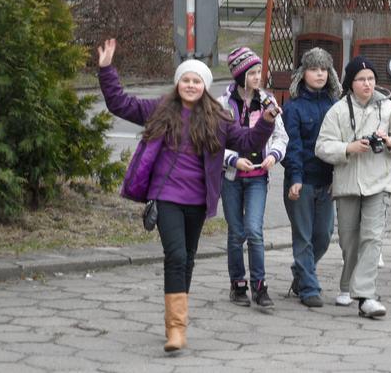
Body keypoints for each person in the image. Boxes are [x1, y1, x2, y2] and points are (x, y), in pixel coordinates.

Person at [97, 39, 275, 352]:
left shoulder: (218, 118)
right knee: (176, 256)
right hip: (165, 196)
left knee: (188, 259)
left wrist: (268, 122)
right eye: (185, 79)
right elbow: (119, 103)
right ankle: (175, 331)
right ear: (178, 83)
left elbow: (247, 140)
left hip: (198, 200)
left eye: (196, 81)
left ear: (205, 87)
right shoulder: (158, 110)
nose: (190, 85)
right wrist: (106, 69)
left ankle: (178, 319)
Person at [315, 56, 391, 318]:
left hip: (379, 182)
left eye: (371, 79)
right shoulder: (337, 110)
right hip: (347, 183)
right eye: (361, 79)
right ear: (350, 83)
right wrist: (348, 148)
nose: (367, 84)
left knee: (372, 237)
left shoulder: (389, 108)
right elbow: (322, 146)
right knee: (349, 240)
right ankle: (347, 285)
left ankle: (366, 296)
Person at [218, 46, 288, 309]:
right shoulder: (224, 104)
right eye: (252, 73)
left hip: (259, 175)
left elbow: (280, 135)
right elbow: (214, 142)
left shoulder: (267, 101)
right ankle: (238, 283)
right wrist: (233, 159)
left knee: (254, 231)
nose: (258, 77)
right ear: (239, 76)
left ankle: (260, 286)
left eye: (259, 71)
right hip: (232, 176)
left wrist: (274, 155)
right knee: (236, 233)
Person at [281, 47, 342, 308]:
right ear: (302, 73)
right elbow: (291, 145)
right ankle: (309, 287)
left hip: (327, 180)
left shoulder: (335, 104)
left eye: (324, 69)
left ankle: (301, 272)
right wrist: (295, 177)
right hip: (301, 179)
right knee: (303, 236)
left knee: (324, 235)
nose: (320, 74)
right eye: (314, 69)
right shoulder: (293, 107)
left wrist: (337, 177)